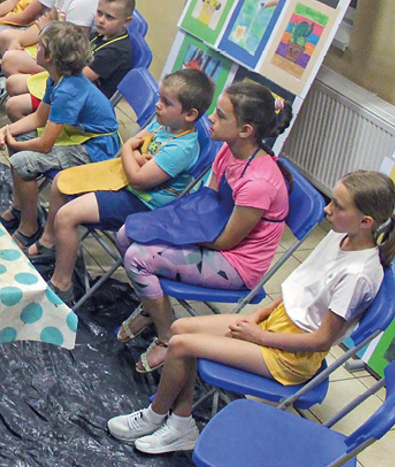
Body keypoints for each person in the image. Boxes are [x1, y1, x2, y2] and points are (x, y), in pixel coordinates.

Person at [108, 170, 393, 455]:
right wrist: (261, 315)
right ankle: (181, 424)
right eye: (331, 200)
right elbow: (301, 289)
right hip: (276, 322)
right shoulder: (340, 234)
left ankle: (155, 415)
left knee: (181, 345)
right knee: (180, 329)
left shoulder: (358, 275)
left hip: (291, 356)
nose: (328, 209)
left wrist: (259, 336)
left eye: (338, 206)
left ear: (365, 222)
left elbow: (320, 340)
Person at [114, 80, 294, 374]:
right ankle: (152, 307)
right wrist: (168, 227)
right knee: (126, 234)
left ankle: (166, 335)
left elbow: (226, 241)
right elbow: (207, 200)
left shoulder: (258, 184)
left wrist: (174, 234)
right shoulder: (229, 149)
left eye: (221, 115)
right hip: (214, 230)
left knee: (138, 257)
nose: (210, 118)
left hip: (237, 262)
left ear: (246, 130)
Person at [27, 69, 215, 303]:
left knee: (66, 216)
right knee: (60, 183)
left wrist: (129, 151)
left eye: (166, 103)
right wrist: (134, 158)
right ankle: (49, 243)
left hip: (145, 203)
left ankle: (62, 285)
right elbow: (137, 158)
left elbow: (138, 175)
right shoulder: (164, 124)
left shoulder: (181, 148)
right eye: (158, 98)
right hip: (127, 181)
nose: (157, 106)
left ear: (190, 114)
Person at [0, 20, 121, 249]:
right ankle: (20, 207)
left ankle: (29, 228)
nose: (36, 49)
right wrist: (7, 131)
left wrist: (16, 145)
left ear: (50, 57)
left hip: (96, 148)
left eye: (40, 46)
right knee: (18, 144)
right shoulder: (57, 78)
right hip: (80, 136)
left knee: (23, 159)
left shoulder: (68, 90)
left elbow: (44, 145)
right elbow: (39, 118)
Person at [3, 0, 135, 123]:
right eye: (99, 13)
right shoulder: (100, 35)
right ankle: (36, 121)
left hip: (80, 97)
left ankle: (38, 135)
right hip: (69, 81)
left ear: (126, 22)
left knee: (14, 107)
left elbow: (81, 76)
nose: (101, 20)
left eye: (109, 17)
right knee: (12, 83)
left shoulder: (117, 51)